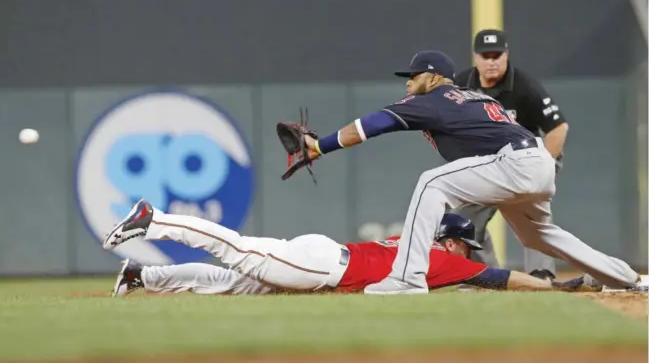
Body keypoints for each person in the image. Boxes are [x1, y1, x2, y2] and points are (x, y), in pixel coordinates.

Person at [248, 48, 643, 295]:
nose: (409, 83)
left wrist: (319, 146)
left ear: (433, 75)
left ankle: (407, 276)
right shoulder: (467, 96)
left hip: (514, 160)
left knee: (431, 183)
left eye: (413, 76)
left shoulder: (434, 98)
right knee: (539, 235)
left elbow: (371, 125)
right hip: (533, 161)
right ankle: (627, 278)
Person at [105, 201, 558, 297]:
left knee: (231, 283)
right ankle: (156, 220)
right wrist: (550, 285)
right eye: (464, 243)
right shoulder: (439, 258)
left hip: (324, 260)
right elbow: (498, 279)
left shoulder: (422, 248)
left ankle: (141, 276)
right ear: (447, 239)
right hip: (319, 267)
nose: (468, 252)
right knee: (237, 252)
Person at [454, 29, 569, 280]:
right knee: (465, 220)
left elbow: (558, 128)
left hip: (524, 162)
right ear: (475, 58)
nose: (491, 61)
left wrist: (544, 166)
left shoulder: (524, 86)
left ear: (506, 55)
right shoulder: (461, 85)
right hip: (488, 164)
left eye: (497, 55)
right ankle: (488, 276)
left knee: (532, 215)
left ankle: (542, 273)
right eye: (486, 56)